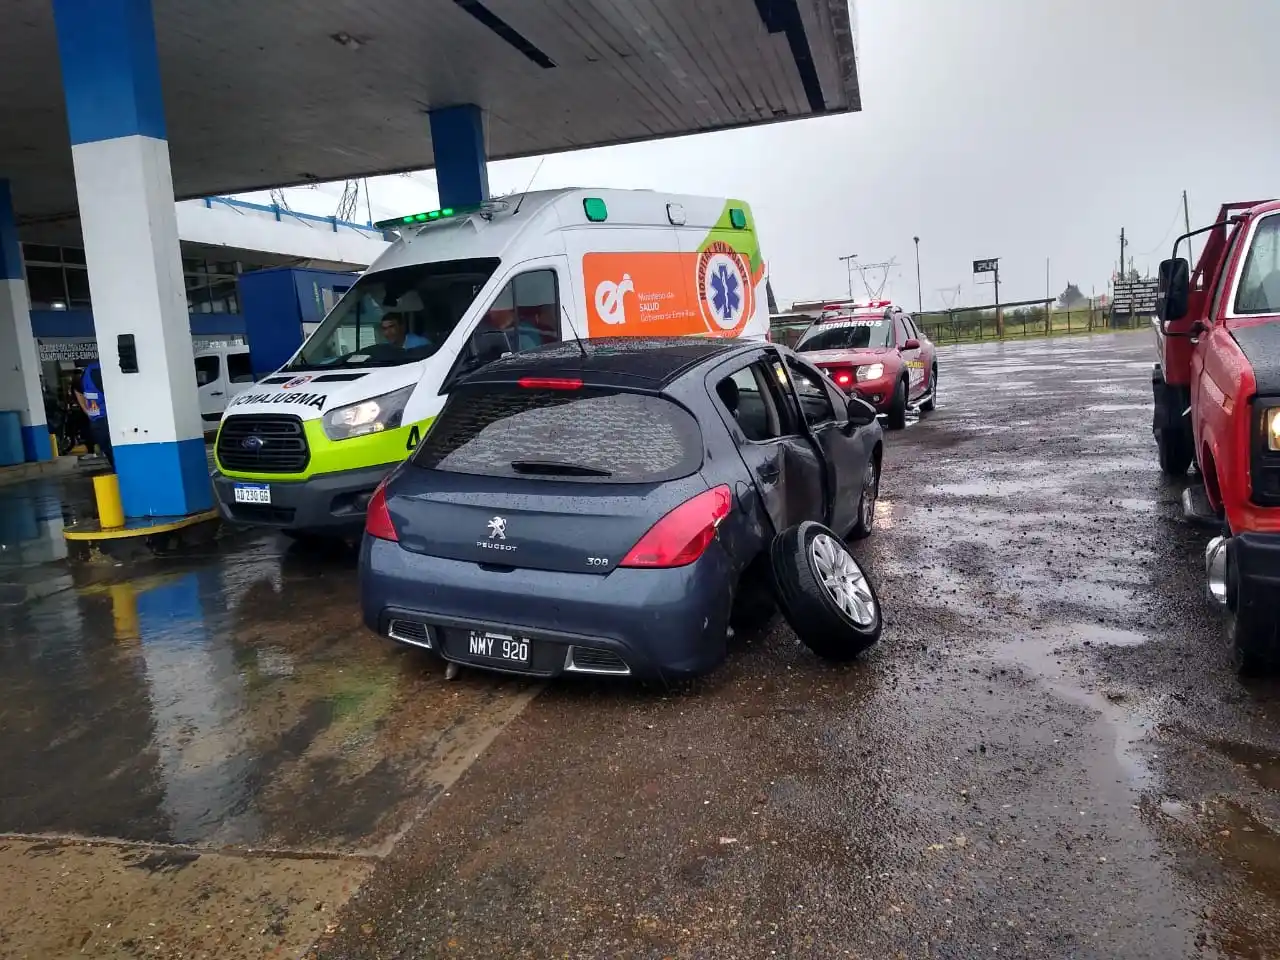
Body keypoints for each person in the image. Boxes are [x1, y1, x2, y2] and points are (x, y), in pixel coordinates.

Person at [74, 360, 114, 469]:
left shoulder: (86, 374)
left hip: (96, 422)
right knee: (119, 459)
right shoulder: (103, 372)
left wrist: (87, 411)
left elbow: (77, 390)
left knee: (112, 457)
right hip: (108, 421)